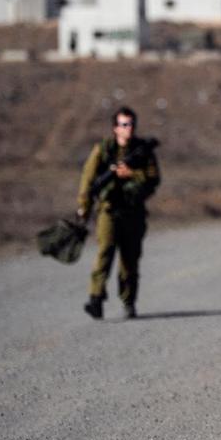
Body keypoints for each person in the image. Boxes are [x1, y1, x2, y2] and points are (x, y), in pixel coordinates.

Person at [78, 106, 161, 320]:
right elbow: (88, 181)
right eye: (124, 124)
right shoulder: (104, 149)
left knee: (129, 260)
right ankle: (96, 299)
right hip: (109, 210)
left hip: (133, 212)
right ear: (115, 128)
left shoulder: (142, 151)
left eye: (132, 124)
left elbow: (153, 179)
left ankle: (128, 301)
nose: (129, 128)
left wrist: (131, 173)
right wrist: (83, 207)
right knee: (104, 252)